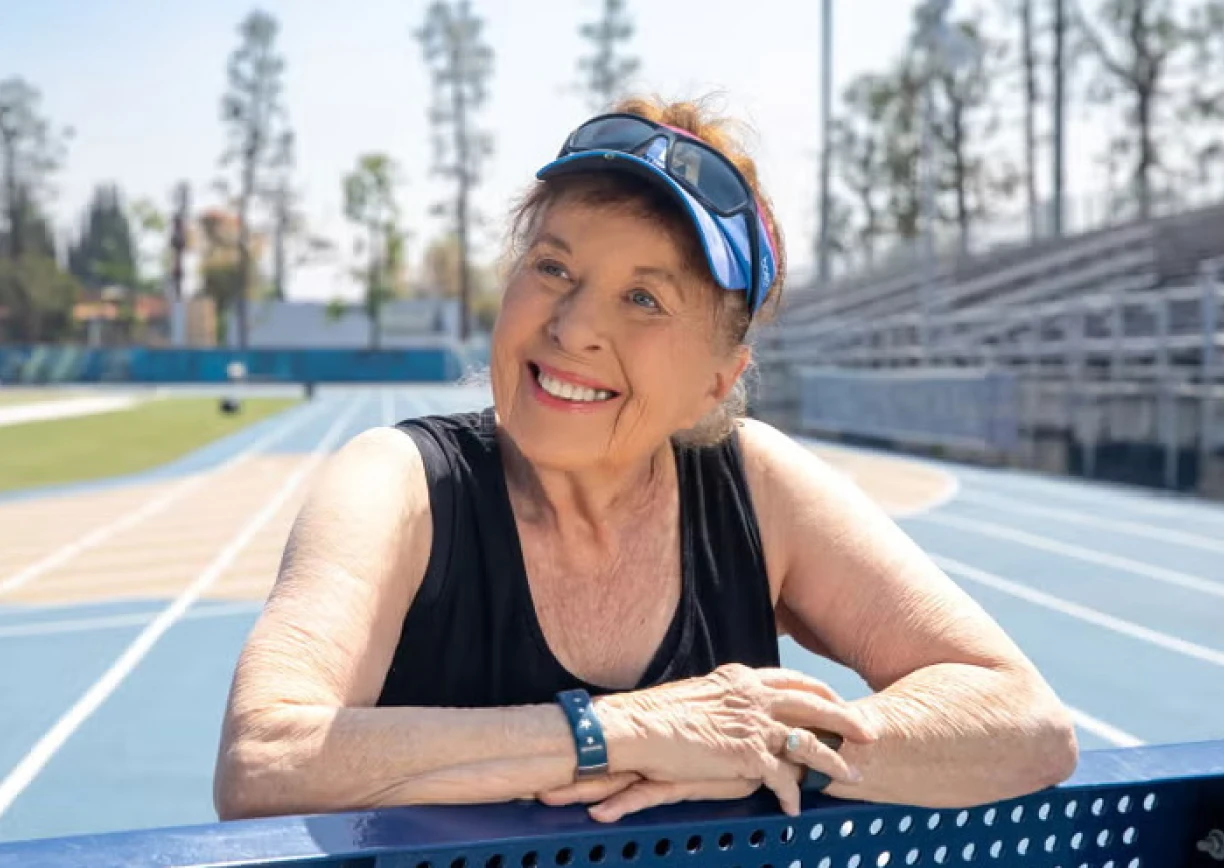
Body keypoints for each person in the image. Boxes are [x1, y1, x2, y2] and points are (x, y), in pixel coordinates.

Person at [213, 97, 1078, 825]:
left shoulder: (756, 485)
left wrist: (776, 745)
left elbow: (1026, 723)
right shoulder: (400, 483)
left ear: (718, 379)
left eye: (643, 298)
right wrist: (617, 732)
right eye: (552, 267)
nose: (575, 325)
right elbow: (266, 758)